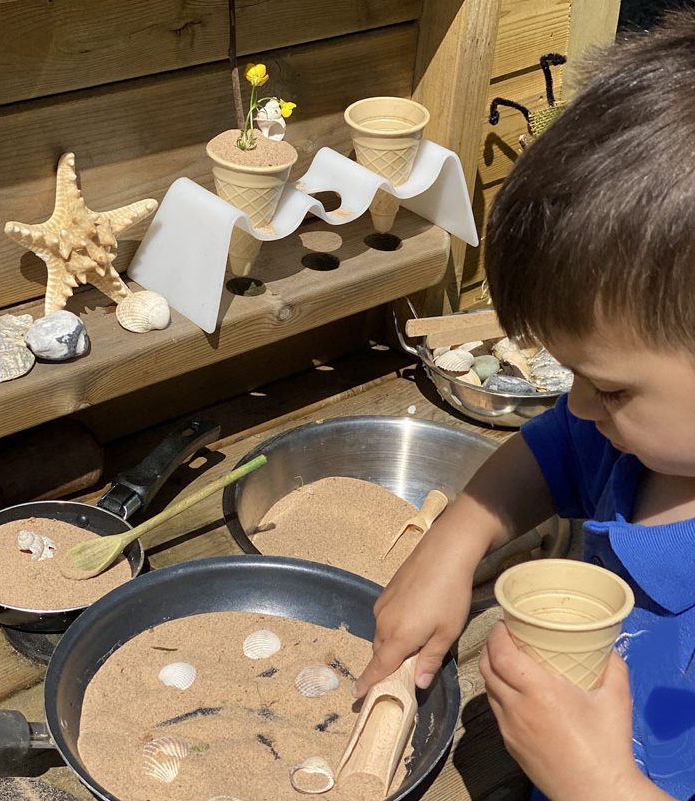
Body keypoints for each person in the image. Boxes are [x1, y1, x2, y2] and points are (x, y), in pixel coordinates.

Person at [353, 12, 695, 801]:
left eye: (608, 386)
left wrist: (592, 779)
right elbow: (549, 454)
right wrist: (454, 542)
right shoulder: (639, 444)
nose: (576, 405)